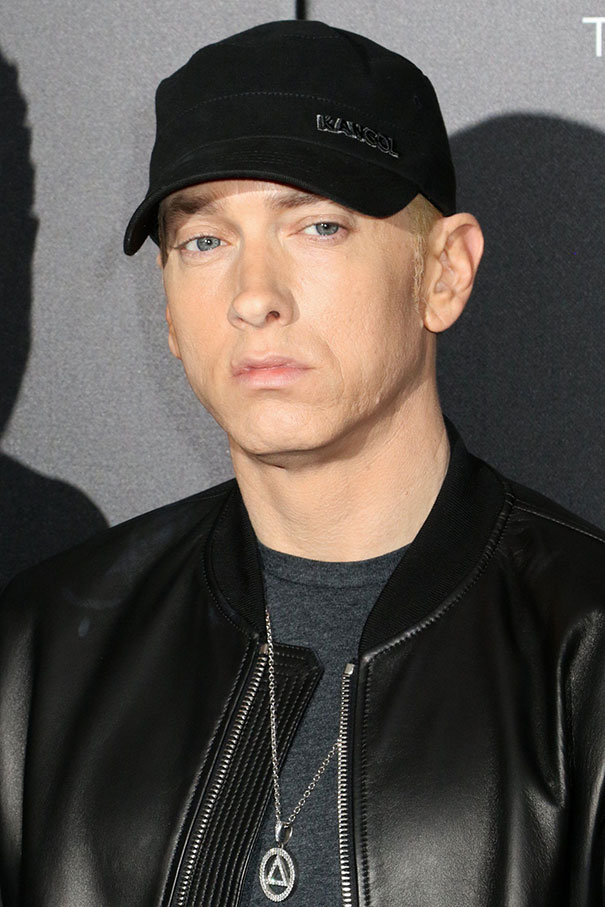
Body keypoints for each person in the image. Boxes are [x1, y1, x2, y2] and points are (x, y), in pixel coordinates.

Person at [0, 18, 603, 907]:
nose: (253, 297)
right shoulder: (41, 654)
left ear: (443, 272)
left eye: (318, 226)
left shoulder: (583, 654)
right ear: (168, 308)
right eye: (205, 242)